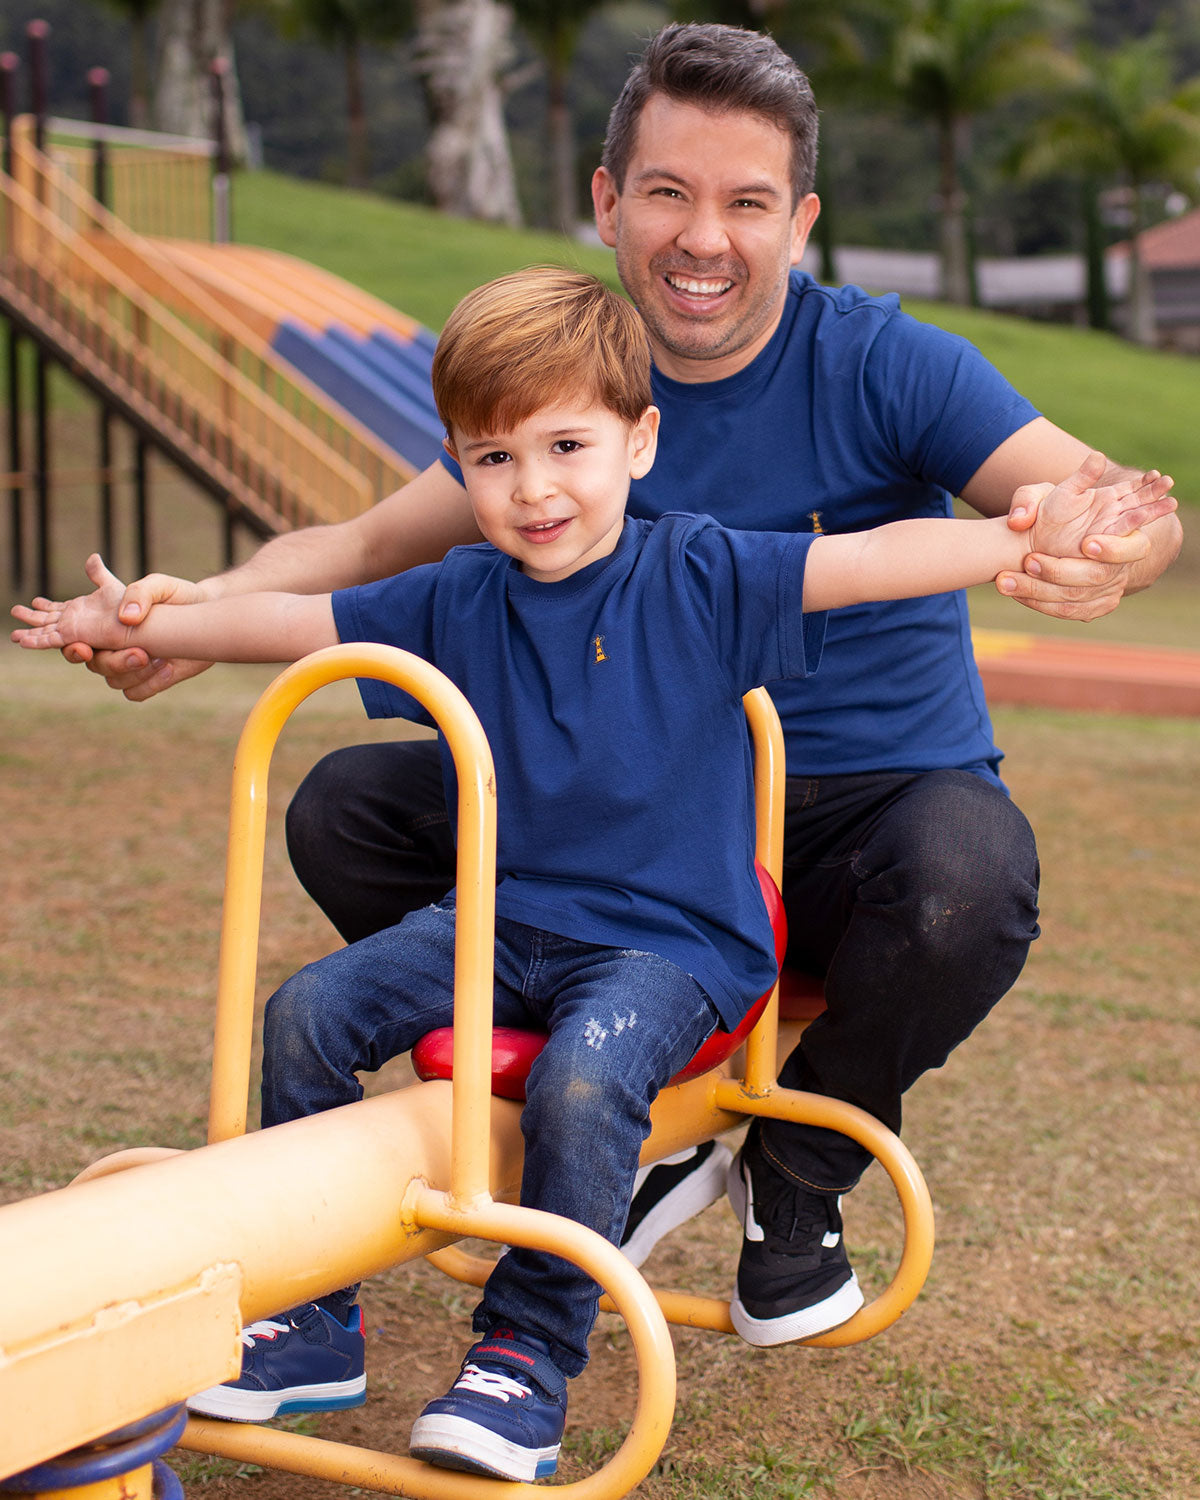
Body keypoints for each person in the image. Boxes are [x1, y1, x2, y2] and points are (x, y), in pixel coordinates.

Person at [56, 22, 1182, 1350]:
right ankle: (572, 1048)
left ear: (799, 221)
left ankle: (797, 1166)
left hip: (856, 821)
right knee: (350, 803)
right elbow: (359, 552)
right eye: (668, 191)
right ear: (606, 201)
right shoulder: (562, 406)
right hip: (618, 826)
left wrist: (1114, 549)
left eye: (746, 203)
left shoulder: (890, 364)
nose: (704, 237)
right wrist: (195, 613)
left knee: (967, 878)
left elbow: (1100, 501)